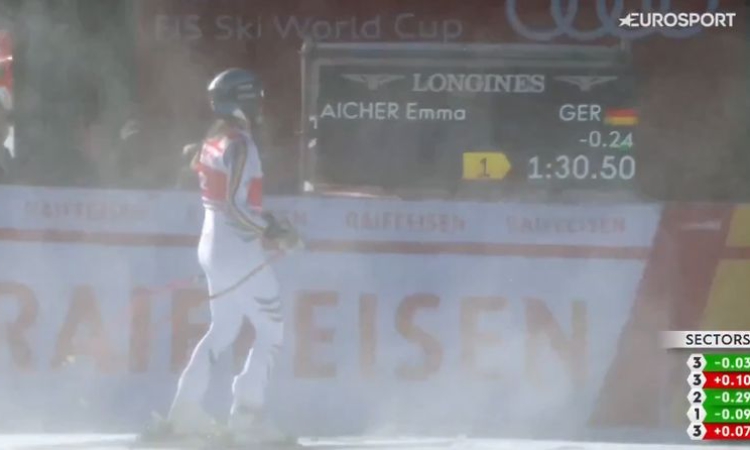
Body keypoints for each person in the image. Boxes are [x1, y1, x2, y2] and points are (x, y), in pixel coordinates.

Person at [147, 68, 302, 443]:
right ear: (244, 100)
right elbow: (235, 204)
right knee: (272, 330)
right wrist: (273, 231)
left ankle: (184, 411)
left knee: (224, 328)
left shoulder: (213, 139)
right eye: (257, 98)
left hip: (213, 245)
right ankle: (248, 415)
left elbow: (226, 199)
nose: (261, 105)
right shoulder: (241, 143)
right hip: (237, 249)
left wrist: (267, 224)